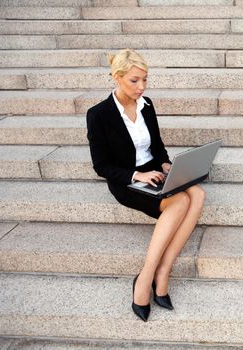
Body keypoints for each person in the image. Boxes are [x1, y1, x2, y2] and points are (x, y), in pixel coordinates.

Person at [86, 49, 205, 322]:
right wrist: (136, 175)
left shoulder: (147, 105)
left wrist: (165, 165)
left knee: (197, 193)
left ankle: (164, 270)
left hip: (154, 173)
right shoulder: (99, 114)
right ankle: (148, 276)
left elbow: (157, 146)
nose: (141, 87)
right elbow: (100, 166)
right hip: (126, 181)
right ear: (117, 78)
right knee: (180, 202)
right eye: (134, 80)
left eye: (145, 80)